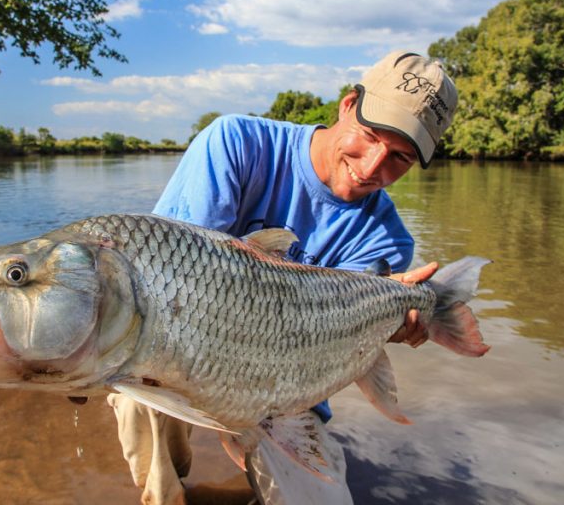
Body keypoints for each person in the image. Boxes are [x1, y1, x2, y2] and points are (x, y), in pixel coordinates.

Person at [107, 50, 458, 504]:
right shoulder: (236, 142)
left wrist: (384, 325)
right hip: (186, 354)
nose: (372, 168)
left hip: (288, 385)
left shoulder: (386, 240)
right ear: (347, 105)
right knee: (135, 385)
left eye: (400, 158)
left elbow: (331, 343)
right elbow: (163, 281)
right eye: (370, 136)